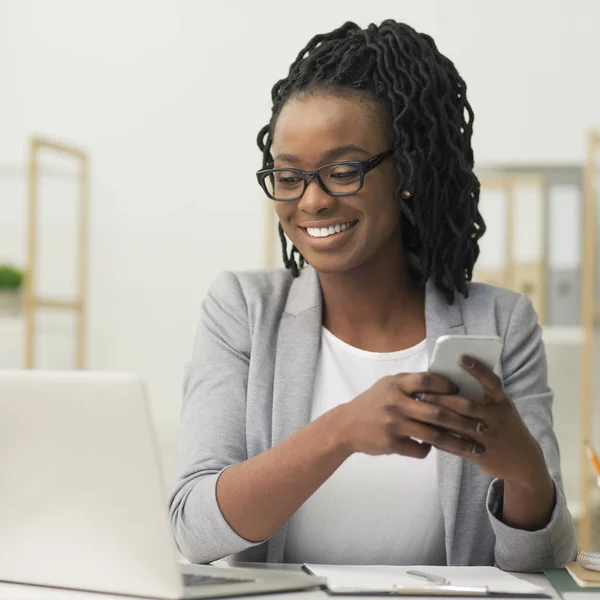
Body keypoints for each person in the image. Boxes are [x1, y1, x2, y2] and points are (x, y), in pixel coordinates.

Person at [169, 20, 576, 570]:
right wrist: (341, 430)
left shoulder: (501, 322)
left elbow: (544, 565)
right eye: (289, 177)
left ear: (404, 171)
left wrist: (524, 469)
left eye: (342, 171)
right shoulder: (242, 309)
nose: (310, 201)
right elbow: (194, 530)